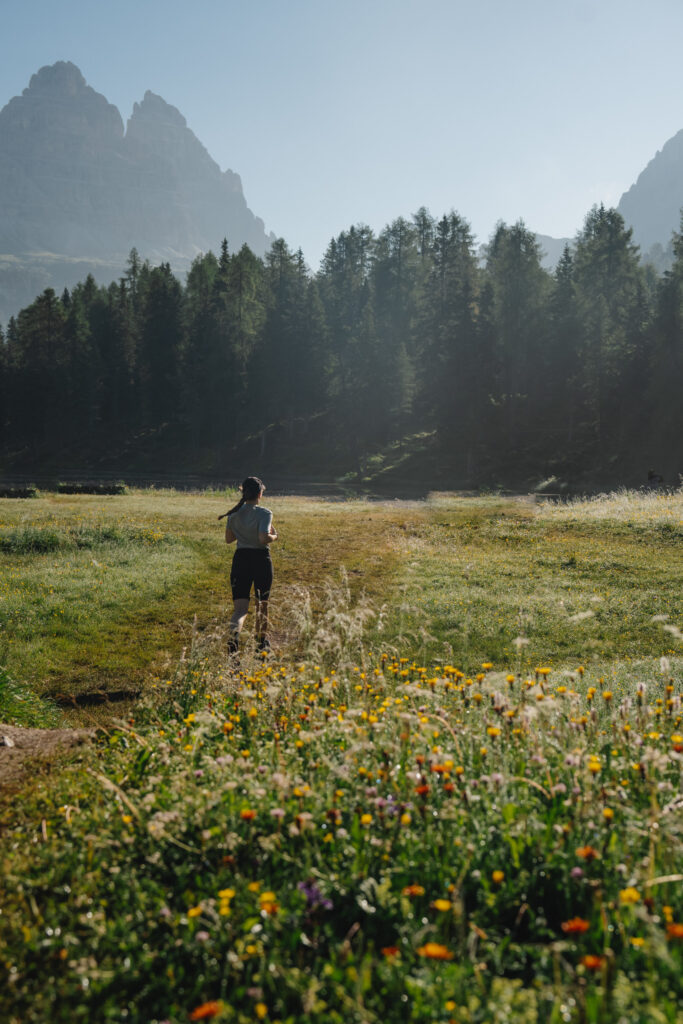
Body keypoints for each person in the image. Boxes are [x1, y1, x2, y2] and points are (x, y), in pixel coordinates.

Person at [223, 476, 277, 656]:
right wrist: (274, 536)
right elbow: (263, 538)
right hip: (260, 559)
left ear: (243, 492)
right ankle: (261, 644)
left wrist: (243, 530)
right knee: (262, 604)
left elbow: (229, 539)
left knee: (240, 610)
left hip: (241, 560)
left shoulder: (234, 514)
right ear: (260, 494)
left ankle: (233, 642)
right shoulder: (265, 513)